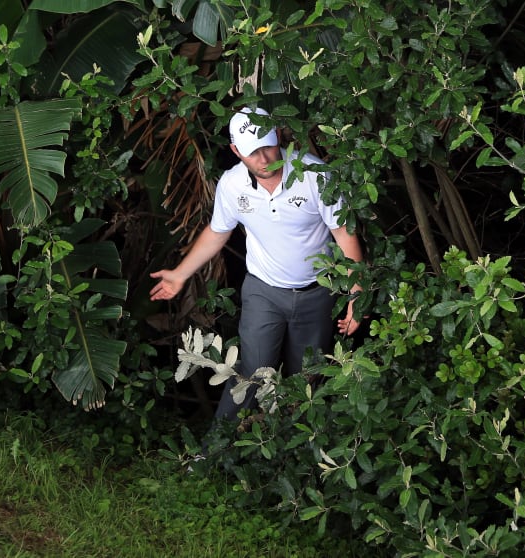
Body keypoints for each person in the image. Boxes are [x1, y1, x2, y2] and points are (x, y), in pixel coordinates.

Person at [150, 107, 364, 420]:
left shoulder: (316, 175)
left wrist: (356, 294)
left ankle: (296, 459)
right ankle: (214, 455)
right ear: (236, 151)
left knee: (306, 379)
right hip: (263, 291)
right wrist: (181, 274)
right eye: (252, 152)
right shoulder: (232, 185)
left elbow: (345, 235)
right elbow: (217, 232)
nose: (263, 160)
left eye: (267, 146)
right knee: (251, 373)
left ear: (278, 135)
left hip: (317, 291)